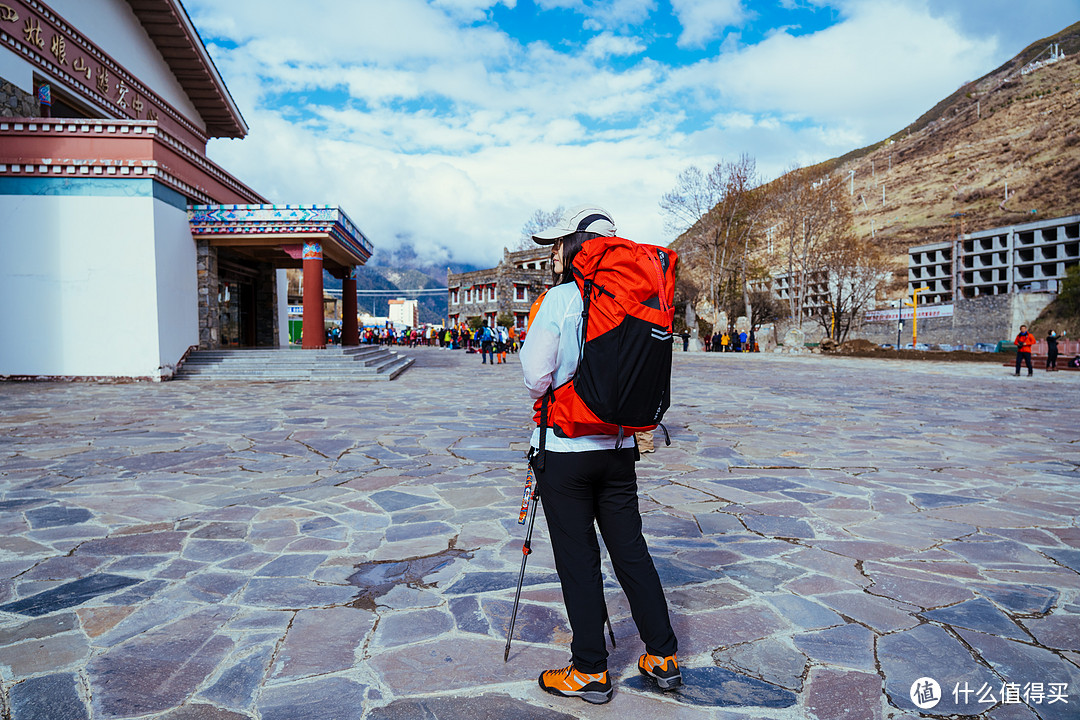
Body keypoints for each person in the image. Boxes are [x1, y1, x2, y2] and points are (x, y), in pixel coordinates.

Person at [520, 204, 680, 706]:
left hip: (565, 450)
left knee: (579, 560)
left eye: (554, 245)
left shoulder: (560, 299)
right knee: (631, 550)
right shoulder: (639, 298)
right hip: (619, 446)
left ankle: (589, 669)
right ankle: (663, 655)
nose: (551, 254)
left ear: (571, 245)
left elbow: (535, 378)